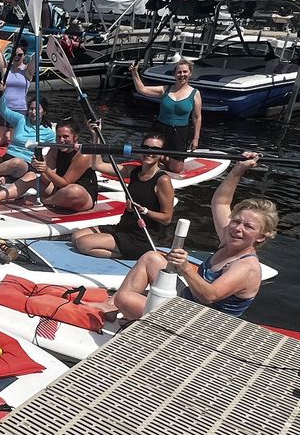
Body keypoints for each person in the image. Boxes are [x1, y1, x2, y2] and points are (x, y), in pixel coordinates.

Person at [113, 154, 275, 320]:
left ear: (261, 237)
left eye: (249, 227)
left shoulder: (247, 267)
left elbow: (209, 296)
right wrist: (238, 169)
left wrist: (185, 268)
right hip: (188, 303)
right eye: (236, 221)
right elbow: (221, 201)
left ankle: (123, 311)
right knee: (151, 258)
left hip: (201, 324)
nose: (238, 229)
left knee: (125, 299)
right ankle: (112, 307)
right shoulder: (229, 239)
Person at [72, 129, 175, 258]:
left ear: (161, 154)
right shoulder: (132, 171)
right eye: (145, 148)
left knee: (83, 244)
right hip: (123, 227)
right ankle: (122, 249)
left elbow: (167, 218)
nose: (149, 152)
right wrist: (95, 136)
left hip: (141, 236)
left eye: (154, 149)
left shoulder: (162, 180)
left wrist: (144, 211)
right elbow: (97, 165)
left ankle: (130, 254)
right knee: (76, 236)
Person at [0, 118, 98, 213]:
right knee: (31, 175)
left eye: (66, 137)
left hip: (80, 196)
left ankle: (44, 200)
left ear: (75, 137)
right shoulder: (54, 150)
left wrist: (46, 169)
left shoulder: (82, 155)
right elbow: (47, 179)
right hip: (59, 190)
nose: (61, 140)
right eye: (58, 137)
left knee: (73, 191)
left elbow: (66, 183)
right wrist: (40, 167)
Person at [131, 59, 203, 173]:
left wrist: (196, 138)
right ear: (174, 74)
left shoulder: (195, 93)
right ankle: (159, 159)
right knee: (149, 158)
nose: (182, 75)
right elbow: (142, 89)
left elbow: (197, 117)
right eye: (179, 72)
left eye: (185, 72)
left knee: (176, 169)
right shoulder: (165, 89)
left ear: (190, 73)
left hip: (179, 132)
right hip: (160, 128)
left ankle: (164, 158)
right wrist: (134, 72)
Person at [0, 96, 55, 182]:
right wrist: (3, 93)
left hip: (24, 165)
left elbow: (57, 149)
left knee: (16, 162)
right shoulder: (21, 120)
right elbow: (3, 110)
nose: (33, 112)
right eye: (31, 109)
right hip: (7, 157)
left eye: (37, 109)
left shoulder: (49, 133)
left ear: (44, 112)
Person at [0, 35, 33, 148]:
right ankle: (5, 131)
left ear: (24, 55)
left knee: (15, 142)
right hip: (4, 109)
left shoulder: (27, 71)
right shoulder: (5, 69)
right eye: (14, 54)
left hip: (19, 111)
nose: (16, 57)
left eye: (20, 55)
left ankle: (11, 132)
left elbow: (38, 55)